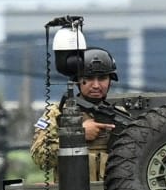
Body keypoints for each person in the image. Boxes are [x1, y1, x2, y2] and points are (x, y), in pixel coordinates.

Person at [31, 47, 121, 179]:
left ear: (110, 80)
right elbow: (40, 157)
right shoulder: (57, 112)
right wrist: (78, 135)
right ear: (77, 80)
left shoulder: (120, 116)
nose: (96, 85)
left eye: (102, 78)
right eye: (88, 78)